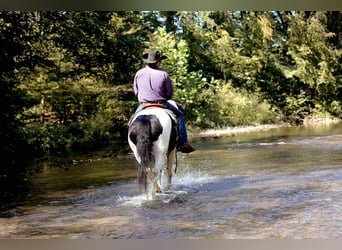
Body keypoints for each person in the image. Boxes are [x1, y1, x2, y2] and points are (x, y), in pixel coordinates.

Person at [133, 49, 195, 154]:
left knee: (133, 120)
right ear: (157, 62)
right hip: (160, 103)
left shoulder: (139, 73)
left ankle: (134, 144)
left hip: (144, 105)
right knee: (180, 115)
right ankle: (184, 143)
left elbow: (136, 91)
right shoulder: (163, 74)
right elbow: (169, 93)